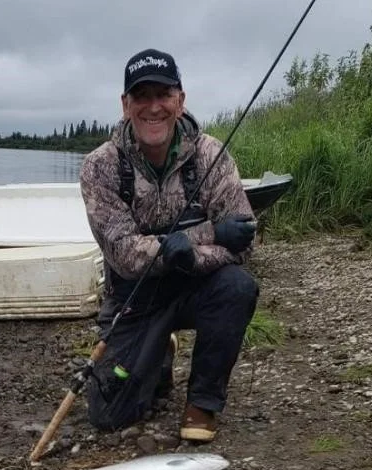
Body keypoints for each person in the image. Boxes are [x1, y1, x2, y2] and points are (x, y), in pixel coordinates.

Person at [79, 47, 259, 443]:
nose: (154, 107)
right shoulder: (99, 166)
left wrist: (188, 254)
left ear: (180, 100)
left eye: (164, 94)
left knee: (238, 286)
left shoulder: (212, 154)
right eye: (142, 96)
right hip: (135, 295)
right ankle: (160, 349)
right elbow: (126, 255)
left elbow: (244, 242)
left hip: (198, 286)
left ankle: (203, 404)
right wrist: (207, 235)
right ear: (126, 105)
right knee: (109, 417)